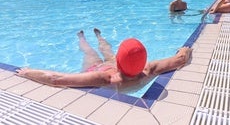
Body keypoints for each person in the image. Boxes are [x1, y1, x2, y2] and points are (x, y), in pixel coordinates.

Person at [16, 28, 192, 89]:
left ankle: (82, 38)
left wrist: (27, 72)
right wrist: (185, 50)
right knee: (106, 52)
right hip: (119, 67)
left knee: (91, 53)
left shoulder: (106, 78)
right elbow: (180, 59)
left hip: (100, 68)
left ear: (119, 59)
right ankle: (99, 37)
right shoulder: (149, 69)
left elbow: (56, 79)